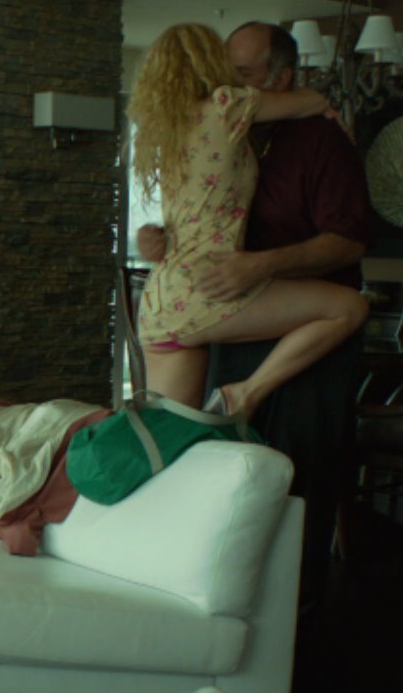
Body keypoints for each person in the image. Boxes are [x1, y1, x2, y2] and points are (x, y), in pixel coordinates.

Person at [139, 21, 377, 608]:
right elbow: (199, 210)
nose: (229, 81)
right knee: (181, 454)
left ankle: (293, 618)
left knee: (295, 485)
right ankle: (174, 590)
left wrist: (260, 266)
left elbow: (348, 242)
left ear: (280, 78)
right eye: (226, 71)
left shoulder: (318, 142)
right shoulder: (225, 121)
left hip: (296, 344)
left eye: (242, 73)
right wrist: (158, 238)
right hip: (221, 320)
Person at [127, 22, 369, 422]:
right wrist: (327, 108)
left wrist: (159, 236)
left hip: (163, 301)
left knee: (168, 441)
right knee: (350, 307)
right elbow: (309, 99)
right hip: (206, 293)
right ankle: (244, 394)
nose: (232, 78)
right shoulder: (227, 105)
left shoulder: (170, 128)